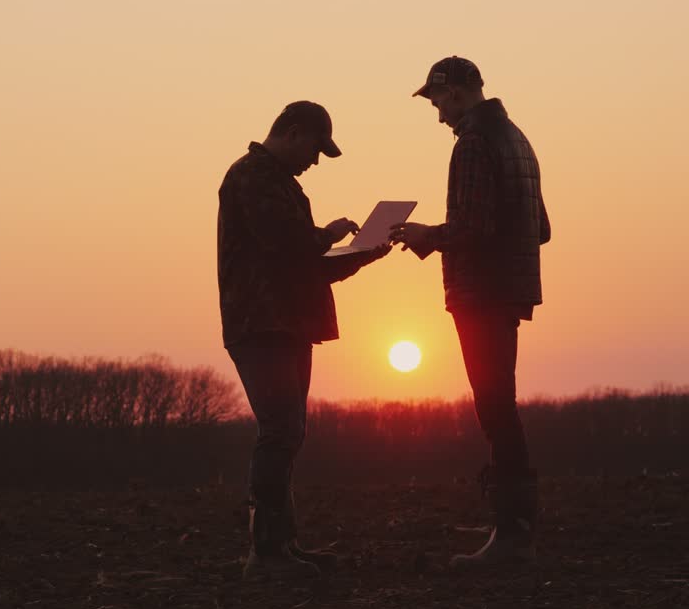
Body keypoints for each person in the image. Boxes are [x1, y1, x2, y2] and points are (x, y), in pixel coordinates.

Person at [389, 57, 551, 570]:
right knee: (500, 404)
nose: (437, 114)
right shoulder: (517, 139)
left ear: (456, 92)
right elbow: (540, 228)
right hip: (509, 291)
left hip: (481, 293)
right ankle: (515, 532)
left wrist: (424, 237)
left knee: (496, 409)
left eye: (436, 101)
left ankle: (511, 536)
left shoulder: (474, 143)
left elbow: (475, 231)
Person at [217, 101, 390, 579]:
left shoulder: (281, 185)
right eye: (315, 149)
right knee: (281, 431)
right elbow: (286, 243)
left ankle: (282, 547)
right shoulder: (250, 176)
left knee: (288, 433)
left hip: (288, 325)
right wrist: (328, 232)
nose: (315, 161)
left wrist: (364, 254)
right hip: (261, 324)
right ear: (293, 133)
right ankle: (266, 553)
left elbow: (307, 267)